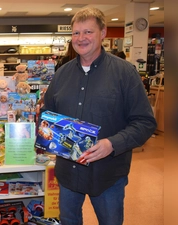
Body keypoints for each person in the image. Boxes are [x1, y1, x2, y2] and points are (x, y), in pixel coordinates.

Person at [43, 8, 156, 225]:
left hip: (107, 174)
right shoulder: (61, 74)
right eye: (76, 33)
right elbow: (48, 115)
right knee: (69, 221)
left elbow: (145, 122)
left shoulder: (125, 73)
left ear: (103, 33)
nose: (81, 38)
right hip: (68, 173)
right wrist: (46, 134)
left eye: (88, 32)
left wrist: (111, 144)